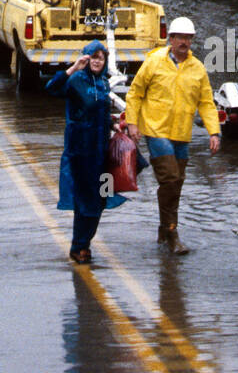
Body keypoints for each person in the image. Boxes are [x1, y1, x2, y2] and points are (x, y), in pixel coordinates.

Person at [124, 17, 220, 254]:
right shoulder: (154, 61)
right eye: (181, 38)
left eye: (189, 38)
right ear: (171, 39)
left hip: (181, 132)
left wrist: (214, 131)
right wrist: (133, 124)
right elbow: (135, 93)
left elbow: (207, 103)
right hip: (156, 129)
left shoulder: (197, 68)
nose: (185, 42)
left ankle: (163, 226)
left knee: (176, 183)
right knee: (169, 178)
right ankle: (173, 234)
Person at [46, 40, 126, 264]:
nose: (97, 61)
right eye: (93, 56)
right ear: (86, 58)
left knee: (100, 198)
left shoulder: (103, 83)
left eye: (101, 57)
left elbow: (101, 112)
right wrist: (72, 68)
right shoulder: (76, 80)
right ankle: (78, 246)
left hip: (101, 151)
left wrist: (114, 125)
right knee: (84, 199)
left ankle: (84, 243)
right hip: (80, 150)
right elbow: (51, 88)